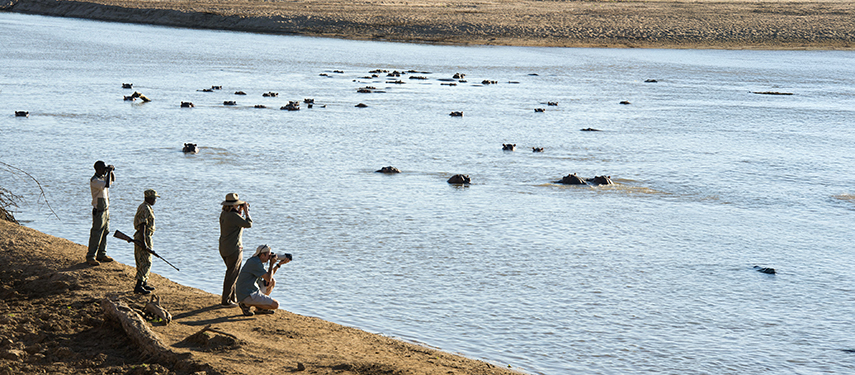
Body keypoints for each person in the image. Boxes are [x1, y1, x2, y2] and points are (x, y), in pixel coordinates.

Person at [235, 245, 290, 316]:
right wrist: (271, 264)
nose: (270, 257)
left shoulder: (256, 260)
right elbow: (268, 278)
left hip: (248, 290)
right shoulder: (255, 263)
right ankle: (246, 305)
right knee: (276, 305)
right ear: (262, 255)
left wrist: (279, 264)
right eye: (268, 255)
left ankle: (259, 308)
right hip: (247, 294)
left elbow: (269, 277)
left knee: (272, 281)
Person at [219, 193, 252, 306]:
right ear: (234, 205)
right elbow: (248, 224)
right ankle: (226, 301)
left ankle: (232, 298)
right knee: (232, 275)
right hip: (234, 248)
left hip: (224, 247)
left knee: (231, 273)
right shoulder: (233, 216)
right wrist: (247, 212)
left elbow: (237, 223)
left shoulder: (224, 214)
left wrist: (240, 211)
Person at [87, 161, 115, 266]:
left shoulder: (102, 178)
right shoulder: (95, 180)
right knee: (96, 233)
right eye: (103, 169)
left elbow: (111, 181)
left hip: (105, 209)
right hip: (98, 210)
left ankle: (101, 254)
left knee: (105, 232)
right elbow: (107, 184)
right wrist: (109, 172)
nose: (105, 171)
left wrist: (110, 172)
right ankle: (91, 256)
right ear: (98, 169)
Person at [133, 189, 159, 294]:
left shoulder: (147, 207)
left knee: (145, 260)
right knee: (145, 261)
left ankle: (144, 283)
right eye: (154, 198)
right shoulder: (144, 208)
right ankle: (138, 286)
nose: (155, 200)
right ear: (149, 198)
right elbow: (142, 225)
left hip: (145, 236)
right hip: (143, 236)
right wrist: (144, 242)